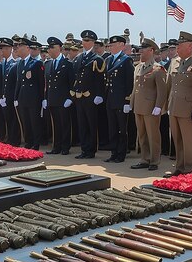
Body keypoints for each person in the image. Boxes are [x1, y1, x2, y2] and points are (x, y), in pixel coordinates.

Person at [164, 31, 192, 177]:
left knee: (188, 141)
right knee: (177, 139)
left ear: (190, 46)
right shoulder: (175, 62)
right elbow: (169, 86)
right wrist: (168, 105)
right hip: (175, 107)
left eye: (180, 45)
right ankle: (179, 167)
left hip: (189, 109)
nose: (177, 48)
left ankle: (188, 169)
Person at [129, 38, 169, 171]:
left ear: (151, 50)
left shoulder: (158, 69)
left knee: (153, 135)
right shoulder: (138, 67)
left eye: (143, 49)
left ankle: (154, 160)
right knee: (142, 135)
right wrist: (132, 102)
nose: (140, 51)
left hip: (151, 108)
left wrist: (159, 106)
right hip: (139, 106)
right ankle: (144, 159)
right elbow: (135, 88)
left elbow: (162, 90)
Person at [72, 30, 106, 159]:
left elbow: (100, 79)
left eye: (87, 41)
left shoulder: (97, 59)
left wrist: (99, 94)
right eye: (83, 40)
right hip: (80, 96)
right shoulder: (80, 57)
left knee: (92, 124)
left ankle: (91, 149)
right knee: (82, 124)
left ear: (92, 42)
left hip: (91, 96)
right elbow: (76, 76)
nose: (84, 43)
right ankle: (84, 149)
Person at [103, 35, 134, 163]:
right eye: (110, 45)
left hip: (121, 100)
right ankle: (113, 152)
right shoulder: (109, 59)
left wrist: (127, 100)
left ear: (122, 45)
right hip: (110, 99)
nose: (111, 47)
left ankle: (121, 154)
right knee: (112, 128)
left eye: (113, 45)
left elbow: (129, 82)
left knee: (122, 129)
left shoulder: (126, 60)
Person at [43, 36, 74, 155]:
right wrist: (46, 98)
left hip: (63, 100)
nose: (50, 50)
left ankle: (65, 147)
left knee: (65, 124)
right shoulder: (48, 64)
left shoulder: (67, 64)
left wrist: (70, 98)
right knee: (55, 124)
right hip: (52, 99)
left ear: (60, 48)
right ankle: (56, 147)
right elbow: (48, 83)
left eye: (52, 47)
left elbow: (72, 83)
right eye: (49, 48)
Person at [14, 37, 45, 150]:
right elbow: (19, 82)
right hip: (23, 98)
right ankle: (28, 141)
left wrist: (43, 99)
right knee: (26, 122)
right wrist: (16, 97)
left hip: (34, 98)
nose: (18, 48)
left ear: (27, 48)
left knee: (34, 122)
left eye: (20, 46)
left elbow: (41, 83)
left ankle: (36, 143)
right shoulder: (20, 64)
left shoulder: (36, 63)